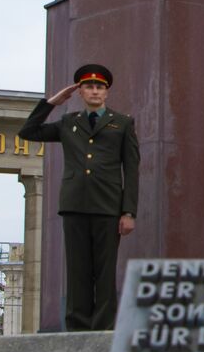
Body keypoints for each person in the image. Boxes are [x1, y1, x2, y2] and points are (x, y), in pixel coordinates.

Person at [19, 63, 139, 331]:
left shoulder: (122, 123)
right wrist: (52, 103)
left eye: (99, 87)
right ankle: (77, 328)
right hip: (75, 205)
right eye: (88, 87)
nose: (94, 91)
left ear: (106, 92)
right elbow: (28, 132)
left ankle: (103, 327)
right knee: (77, 271)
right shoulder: (68, 123)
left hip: (108, 206)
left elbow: (131, 170)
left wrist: (128, 211)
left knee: (105, 272)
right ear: (80, 92)